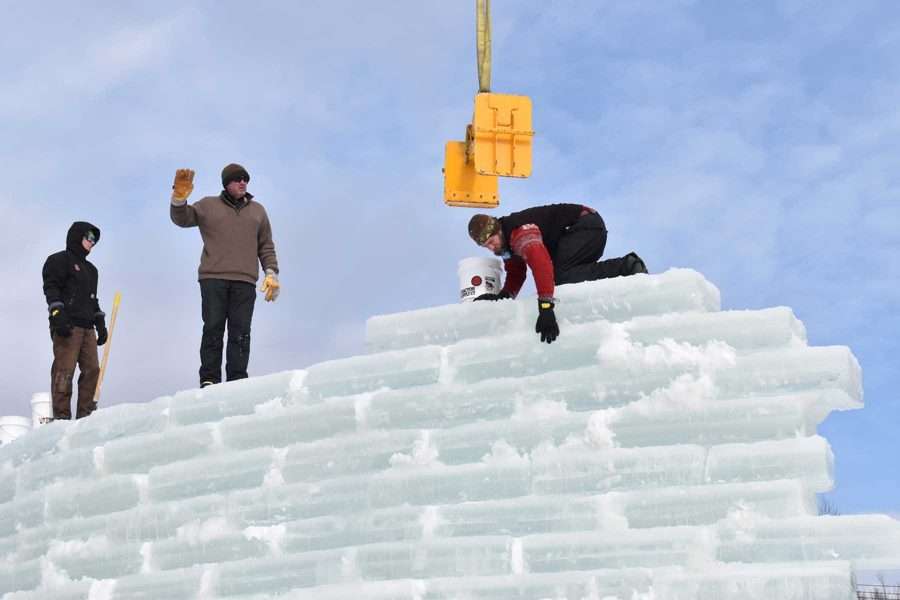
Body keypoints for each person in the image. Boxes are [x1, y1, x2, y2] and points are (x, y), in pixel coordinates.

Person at [467, 203, 647, 344]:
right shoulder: (507, 245)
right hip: (582, 230)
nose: (491, 248)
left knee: (560, 276)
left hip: (585, 226)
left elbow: (541, 263)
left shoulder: (519, 233)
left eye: (491, 241)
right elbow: (516, 273)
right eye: (486, 246)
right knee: (567, 277)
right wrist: (504, 297)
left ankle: (627, 266)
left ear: (498, 230)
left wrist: (545, 307)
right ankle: (625, 268)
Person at [170, 163, 280, 388]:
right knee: (213, 327)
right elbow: (182, 219)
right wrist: (179, 198)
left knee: (241, 332)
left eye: (245, 179)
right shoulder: (208, 206)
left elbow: (266, 245)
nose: (243, 183)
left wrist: (271, 272)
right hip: (213, 278)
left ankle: (237, 380)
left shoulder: (258, 211)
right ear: (226, 183)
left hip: (245, 280)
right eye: (237, 179)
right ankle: (209, 379)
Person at [42, 221, 107, 420]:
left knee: (93, 370)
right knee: (65, 370)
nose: (91, 242)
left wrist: (99, 321)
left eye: (94, 240)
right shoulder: (59, 260)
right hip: (67, 325)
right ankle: (61, 417)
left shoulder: (92, 270)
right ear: (77, 236)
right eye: (88, 237)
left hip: (87, 328)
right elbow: (51, 287)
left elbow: (92, 299)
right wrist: (57, 313)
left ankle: (85, 416)